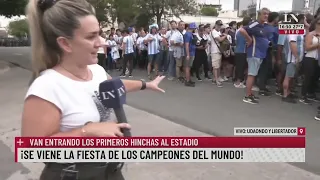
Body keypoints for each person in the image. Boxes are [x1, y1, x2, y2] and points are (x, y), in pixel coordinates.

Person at [22, 0, 165, 179]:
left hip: (109, 170)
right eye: (91, 37)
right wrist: (86, 132)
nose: (101, 43)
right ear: (65, 44)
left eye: (100, 34)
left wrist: (146, 85)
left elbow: (114, 86)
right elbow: (32, 148)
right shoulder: (47, 86)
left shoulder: (96, 70)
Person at [239, 8, 270, 104]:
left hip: (260, 54)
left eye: (267, 14)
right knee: (251, 74)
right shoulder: (255, 24)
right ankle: (247, 96)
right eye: (264, 14)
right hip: (254, 53)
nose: (266, 16)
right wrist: (249, 40)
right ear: (259, 14)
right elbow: (242, 30)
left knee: (253, 74)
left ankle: (250, 93)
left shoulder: (263, 26)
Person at [234, 17, 251, 88]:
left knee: (239, 67)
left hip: (238, 51)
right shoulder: (245, 31)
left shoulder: (238, 30)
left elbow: (236, 41)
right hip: (242, 51)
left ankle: (240, 81)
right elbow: (247, 42)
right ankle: (238, 82)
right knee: (241, 67)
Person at [210, 20, 228, 87]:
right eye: (218, 25)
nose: (219, 26)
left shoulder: (218, 32)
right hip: (215, 51)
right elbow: (219, 39)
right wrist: (225, 36)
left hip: (219, 50)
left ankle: (216, 79)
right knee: (215, 66)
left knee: (218, 66)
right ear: (216, 25)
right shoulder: (214, 32)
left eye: (220, 25)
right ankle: (216, 80)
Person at [184, 22, 197, 87]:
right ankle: (187, 80)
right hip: (190, 53)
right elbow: (187, 45)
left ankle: (189, 79)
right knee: (187, 67)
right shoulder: (188, 34)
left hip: (192, 52)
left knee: (189, 67)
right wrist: (188, 54)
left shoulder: (190, 34)